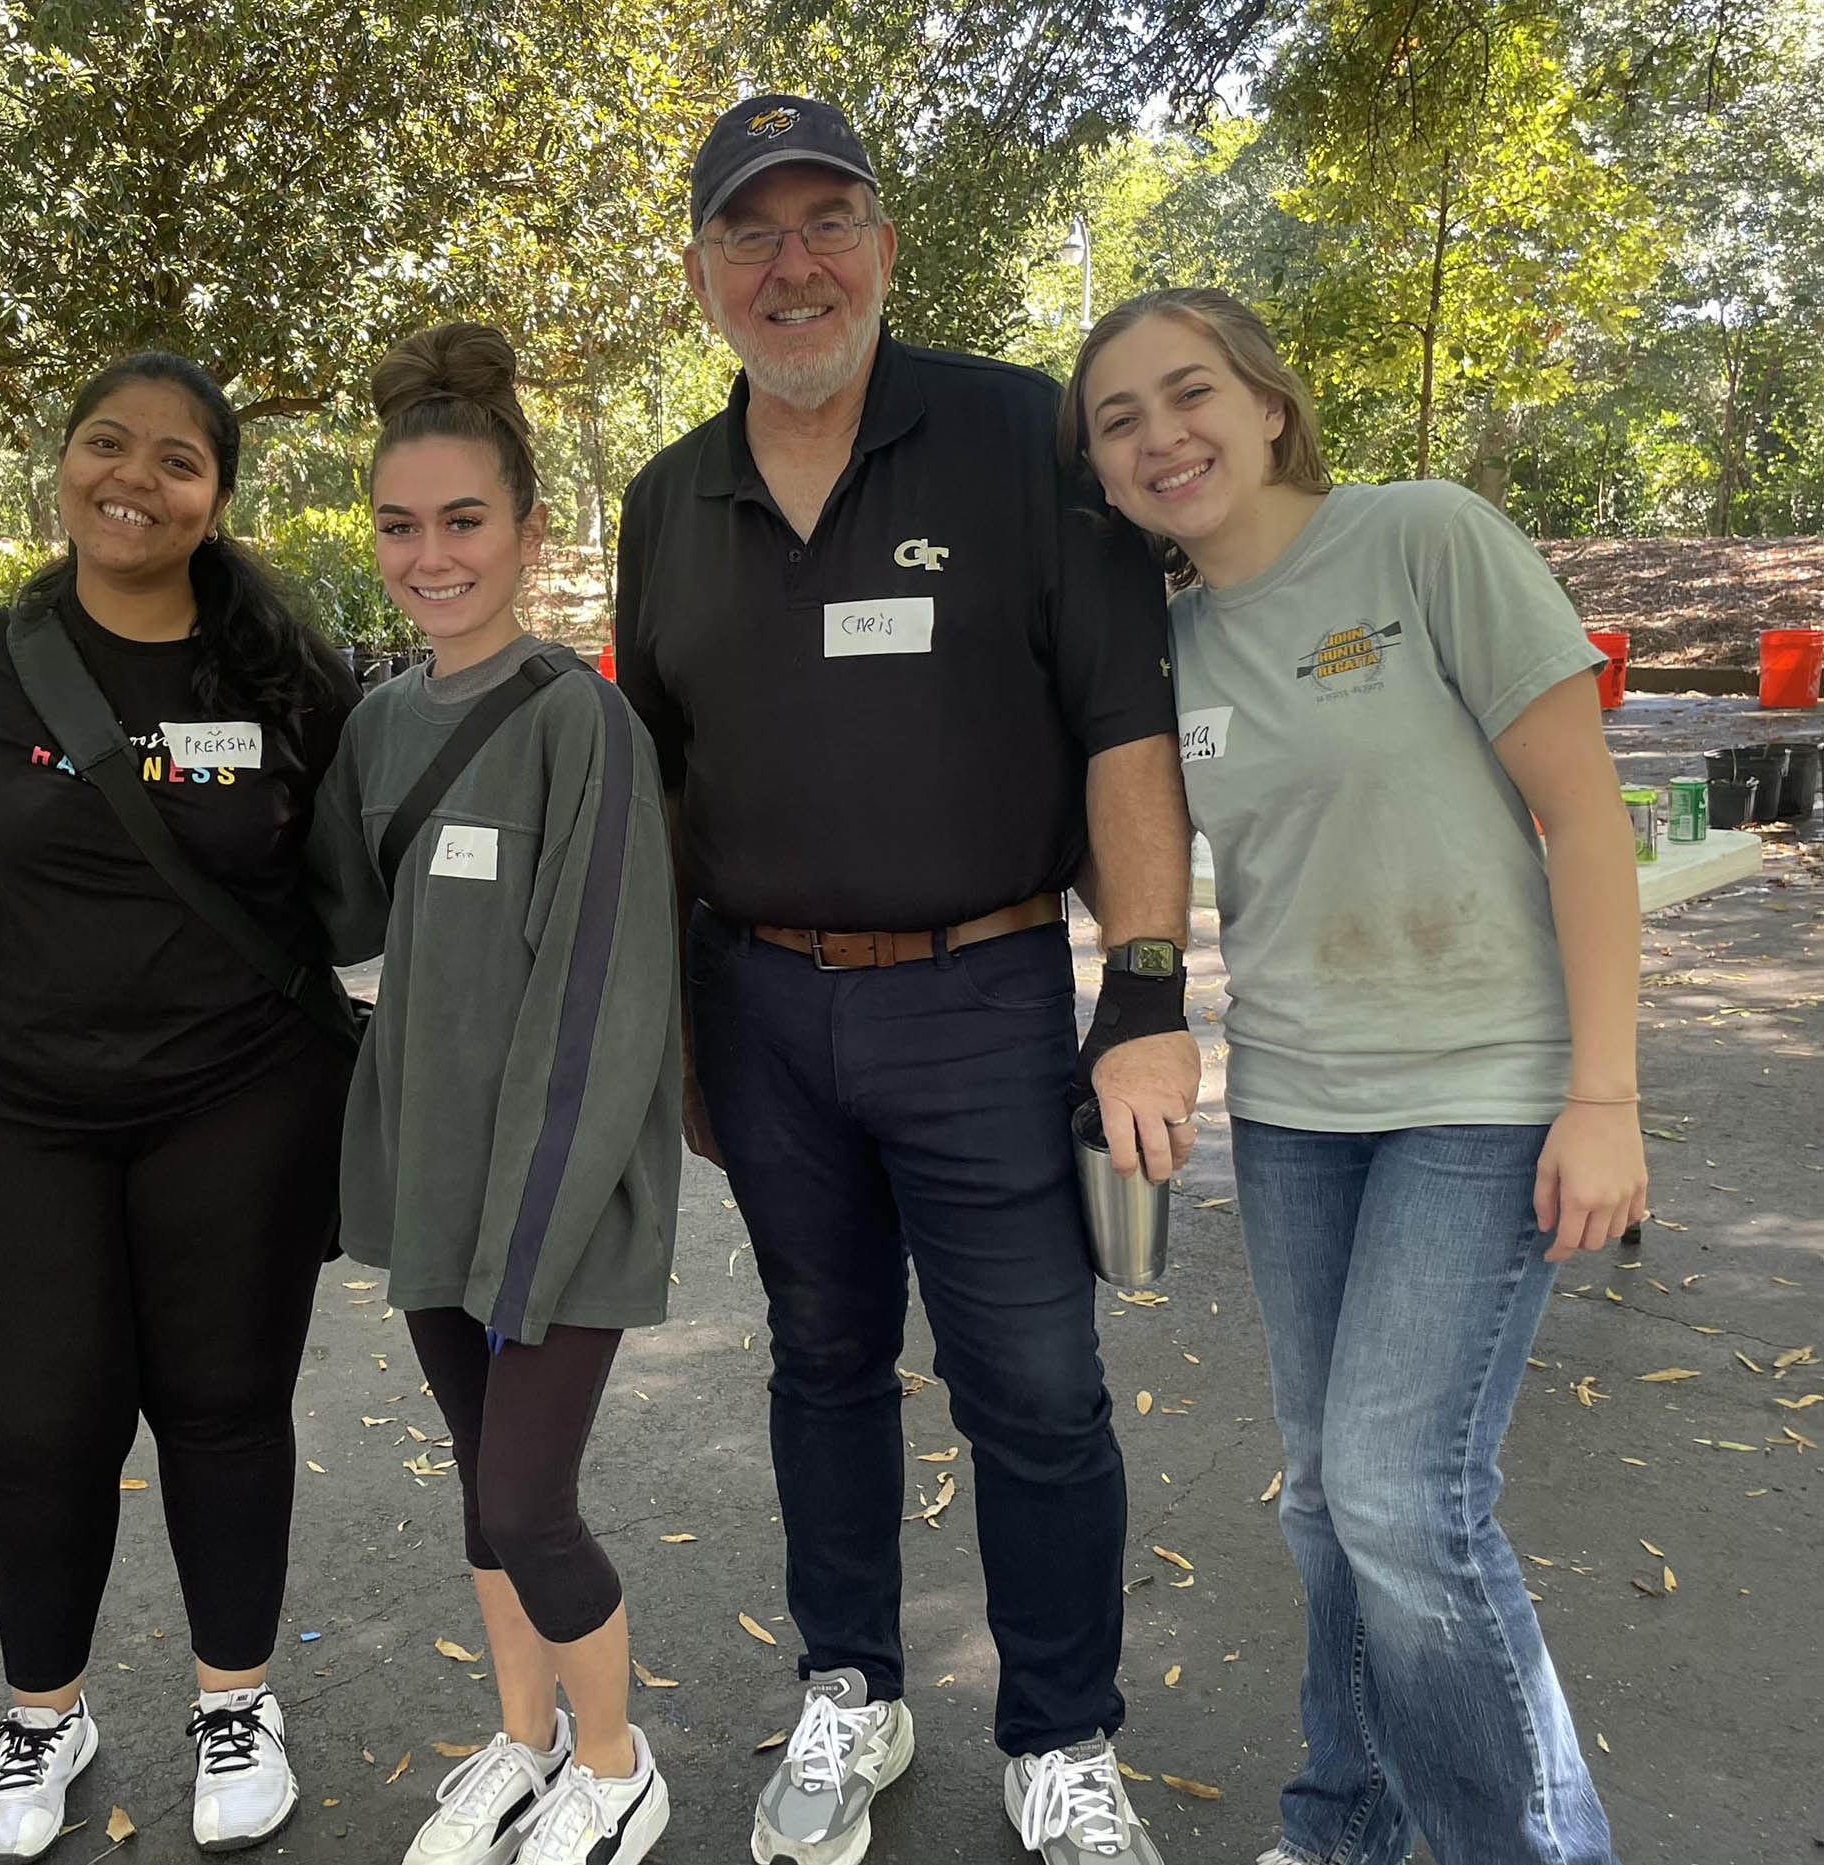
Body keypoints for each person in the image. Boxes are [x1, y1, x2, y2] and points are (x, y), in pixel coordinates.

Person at [612, 96, 1200, 1865]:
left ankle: (1062, 1735)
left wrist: (1150, 994)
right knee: (820, 1359)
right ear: (706, 272)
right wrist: (668, 1036)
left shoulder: (1020, 436)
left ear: (883, 240)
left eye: (827, 221)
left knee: (1035, 1385)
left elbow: (1124, 728)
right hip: (763, 1010)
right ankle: (852, 1690)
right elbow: (652, 787)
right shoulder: (666, 500)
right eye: (750, 232)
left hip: (986, 994)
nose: (793, 265)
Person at [1063, 287, 1642, 1865]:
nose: (1160, 436)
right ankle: (1348, 1817)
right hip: (1303, 1111)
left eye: (1187, 394)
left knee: (1404, 1496)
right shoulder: (1163, 649)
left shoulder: (1423, 537)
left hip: (1486, 1088)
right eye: (1118, 421)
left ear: (1265, 399)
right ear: (1101, 475)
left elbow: (1587, 820)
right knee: (1327, 1496)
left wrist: (1607, 1098)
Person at [0, 351, 359, 1861]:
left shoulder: (284, 666)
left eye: (176, 461)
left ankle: (236, 1698)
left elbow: (358, 872)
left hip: (241, 1092)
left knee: (221, 1403)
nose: (134, 481)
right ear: (63, 464)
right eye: (107, 445)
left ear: (217, 498)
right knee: (33, 1418)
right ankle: (44, 1714)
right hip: (25, 1103)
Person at [309, 324, 681, 1865]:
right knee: (480, 1487)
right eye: (401, 524)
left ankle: (616, 1763)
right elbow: (336, 912)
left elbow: (601, 1002)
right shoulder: (382, 720)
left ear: (529, 531)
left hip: (562, 1202)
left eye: (465, 520)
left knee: (531, 1497)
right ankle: (518, 1744)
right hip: (436, 1187)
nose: (431, 553)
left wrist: (529, 1227)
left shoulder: (580, 724)